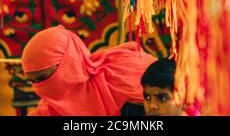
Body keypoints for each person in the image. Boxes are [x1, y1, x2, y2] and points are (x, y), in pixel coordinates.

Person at [21, 25, 156, 116]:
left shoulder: (126, 69)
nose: (39, 89)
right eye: (33, 82)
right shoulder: (49, 109)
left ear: (70, 61)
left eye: (44, 78)